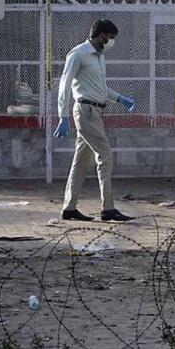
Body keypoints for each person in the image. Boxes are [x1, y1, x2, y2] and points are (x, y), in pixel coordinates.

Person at [54, 19, 135, 222]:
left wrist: (120, 99)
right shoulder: (78, 54)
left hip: (96, 112)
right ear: (102, 35)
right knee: (105, 156)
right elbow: (64, 85)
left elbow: (100, 88)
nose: (112, 42)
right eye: (111, 38)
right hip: (85, 111)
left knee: (80, 162)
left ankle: (69, 208)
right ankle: (108, 208)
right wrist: (62, 116)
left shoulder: (99, 57)